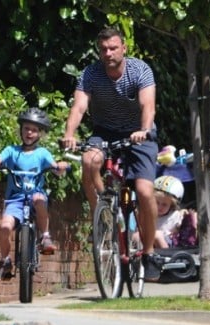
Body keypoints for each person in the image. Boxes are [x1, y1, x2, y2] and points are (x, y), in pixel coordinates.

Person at [60, 28, 161, 281]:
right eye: (104, 49)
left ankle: (148, 253)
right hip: (105, 132)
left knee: (146, 191)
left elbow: (148, 105)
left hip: (139, 133)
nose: (108, 53)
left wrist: (144, 130)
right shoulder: (91, 74)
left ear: (123, 48)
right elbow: (79, 106)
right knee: (88, 160)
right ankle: (102, 215)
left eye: (113, 48)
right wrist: (69, 134)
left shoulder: (140, 70)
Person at [0, 108, 69, 282]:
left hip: (35, 197)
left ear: (40, 133)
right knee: (4, 227)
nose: (29, 133)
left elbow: (55, 169)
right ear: (21, 130)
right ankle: (5, 261)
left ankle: (45, 236)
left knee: (38, 198)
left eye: (33, 130)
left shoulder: (42, 153)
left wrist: (59, 168)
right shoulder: (12, 151)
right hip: (15, 200)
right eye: (26, 129)